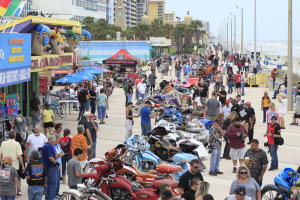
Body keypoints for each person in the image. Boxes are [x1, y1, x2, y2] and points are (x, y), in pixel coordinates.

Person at [42, 135, 60, 200]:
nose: (55, 142)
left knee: (48, 183)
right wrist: (57, 163)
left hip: (46, 166)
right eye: (54, 140)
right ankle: (51, 198)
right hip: (51, 167)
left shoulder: (45, 146)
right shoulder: (49, 146)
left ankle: (47, 197)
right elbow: (50, 157)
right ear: (52, 140)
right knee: (53, 183)